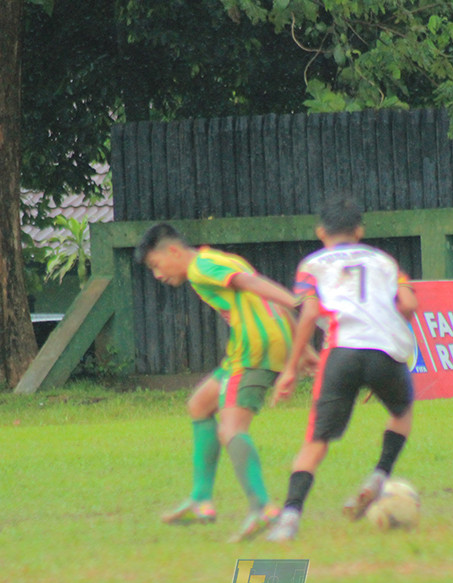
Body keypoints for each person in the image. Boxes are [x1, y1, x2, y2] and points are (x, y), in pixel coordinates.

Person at [135, 223, 303, 542]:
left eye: (156, 266)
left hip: (253, 349)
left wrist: (296, 303)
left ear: (172, 251)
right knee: (200, 404)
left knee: (231, 429)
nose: (157, 275)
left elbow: (254, 284)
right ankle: (201, 499)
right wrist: (301, 344)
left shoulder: (201, 268)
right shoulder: (221, 258)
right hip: (258, 344)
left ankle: (263, 508)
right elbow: (262, 297)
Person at [267, 194, 418, 542]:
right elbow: (409, 303)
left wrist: (290, 368)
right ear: (360, 230)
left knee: (316, 441)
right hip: (385, 351)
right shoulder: (385, 262)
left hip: (342, 352)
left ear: (321, 231)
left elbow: (308, 313)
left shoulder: (312, 265)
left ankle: (289, 517)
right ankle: (380, 475)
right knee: (401, 411)